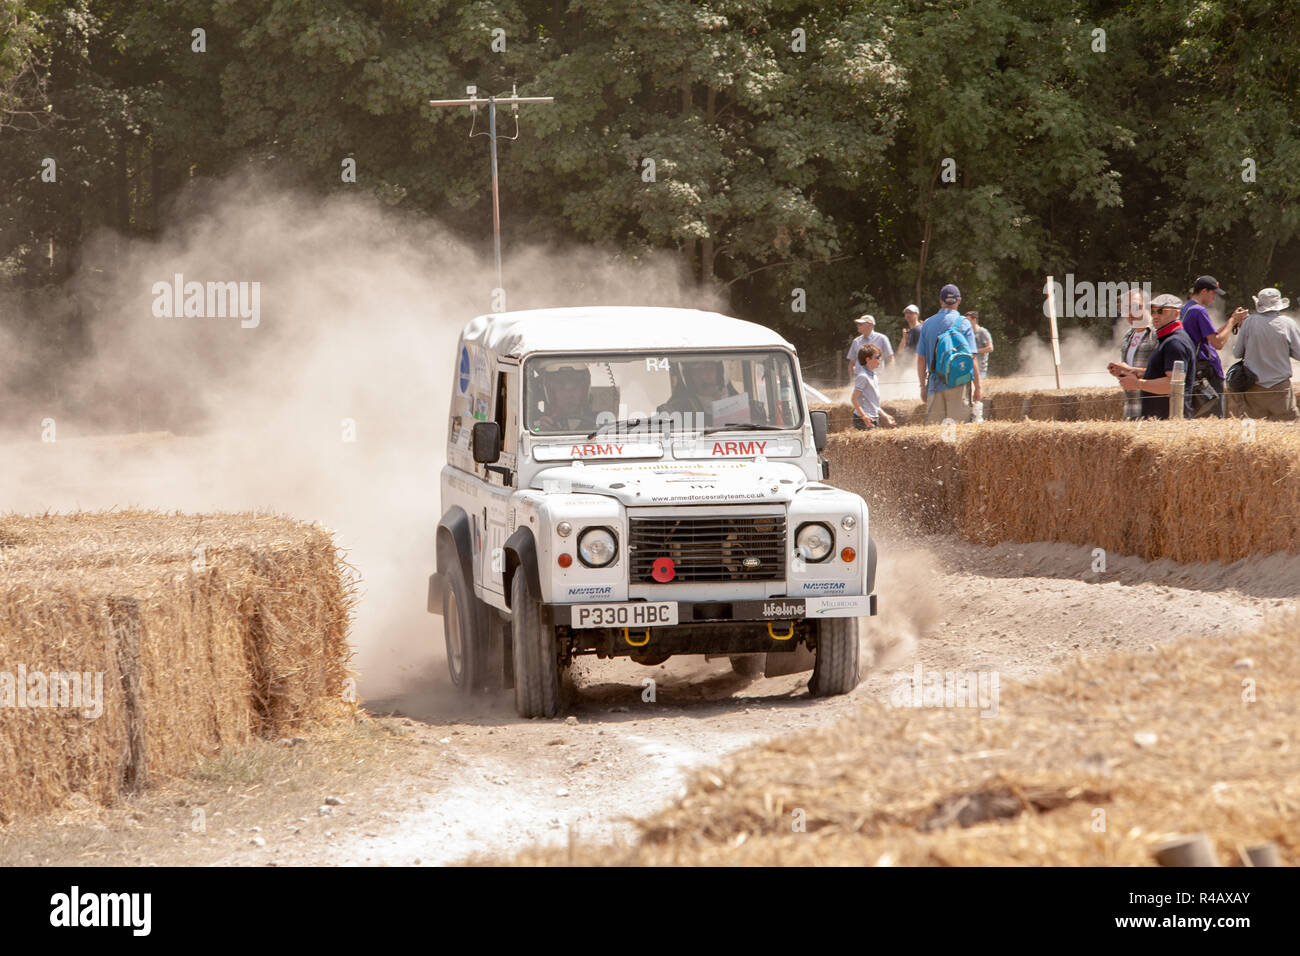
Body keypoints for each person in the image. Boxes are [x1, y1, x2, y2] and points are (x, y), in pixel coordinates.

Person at [1117, 294, 1197, 419]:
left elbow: (1173, 385)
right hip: (1159, 420)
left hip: (1167, 421)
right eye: (1153, 311)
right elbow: (1160, 374)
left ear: (1176, 314)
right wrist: (1135, 371)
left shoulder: (1175, 342)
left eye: (1161, 311)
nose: (1155, 315)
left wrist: (1137, 383)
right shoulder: (1169, 340)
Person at [1226, 287, 1300, 421]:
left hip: (1253, 387)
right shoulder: (1288, 324)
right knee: (1285, 431)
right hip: (1280, 390)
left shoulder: (1249, 322)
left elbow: (1237, 353)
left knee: (1253, 433)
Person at [1179, 275, 1246, 417]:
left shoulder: (1187, 308)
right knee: (1213, 418)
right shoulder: (1199, 311)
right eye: (1213, 293)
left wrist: (1231, 321)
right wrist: (1233, 321)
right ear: (1204, 291)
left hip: (1196, 370)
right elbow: (1218, 343)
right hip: (1207, 373)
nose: (1214, 298)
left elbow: (1210, 336)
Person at [916, 283, 981, 424]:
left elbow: (921, 359)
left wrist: (922, 386)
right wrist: (978, 388)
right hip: (959, 383)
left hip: (934, 384)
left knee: (935, 435)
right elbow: (972, 359)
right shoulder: (964, 323)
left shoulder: (927, 324)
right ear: (959, 300)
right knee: (959, 432)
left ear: (940, 301)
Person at [1107, 289, 1159, 421]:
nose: (1130, 312)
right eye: (1125, 308)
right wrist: (1119, 371)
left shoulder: (1158, 335)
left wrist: (1131, 371)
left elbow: (1167, 375)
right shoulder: (1128, 336)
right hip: (1131, 411)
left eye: (1136, 306)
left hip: (1154, 413)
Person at [657, 359, 740, 427]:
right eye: (696, 370)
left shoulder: (747, 407)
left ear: (721, 372)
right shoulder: (674, 412)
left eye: (709, 368)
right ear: (688, 377)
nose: (703, 376)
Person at [535, 364, 597, 431]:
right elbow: (534, 429)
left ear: (583, 391)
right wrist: (539, 430)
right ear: (552, 393)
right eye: (561, 389)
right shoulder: (542, 423)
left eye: (574, 388)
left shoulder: (599, 421)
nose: (569, 395)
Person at [851, 345, 896, 430]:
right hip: (864, 419)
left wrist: (885, 416)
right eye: (877, 357)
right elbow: (854, 399)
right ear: (868, 359)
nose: (880, 359)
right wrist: (864, 417)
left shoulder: (874, 376)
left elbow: (874, 403)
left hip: (873, 417)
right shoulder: (863, 376)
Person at [846, 314, 894, 381]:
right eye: (858, 324)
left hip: (877, 377)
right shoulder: (856, 341)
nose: (858, 326)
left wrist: (887, 376)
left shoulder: (882, 338)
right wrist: (851, 380)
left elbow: (890, 359)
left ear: (870, 325)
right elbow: (851, 363)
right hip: (859, 378)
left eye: (861, 324)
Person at [968, 311, 993, 377]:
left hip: (981, 369)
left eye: (968, 320)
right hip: (970, 367)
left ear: (974, 320)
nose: (966, 322)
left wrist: (974, 351)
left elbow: (990, 348)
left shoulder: (983, 332)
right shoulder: (968, 333)